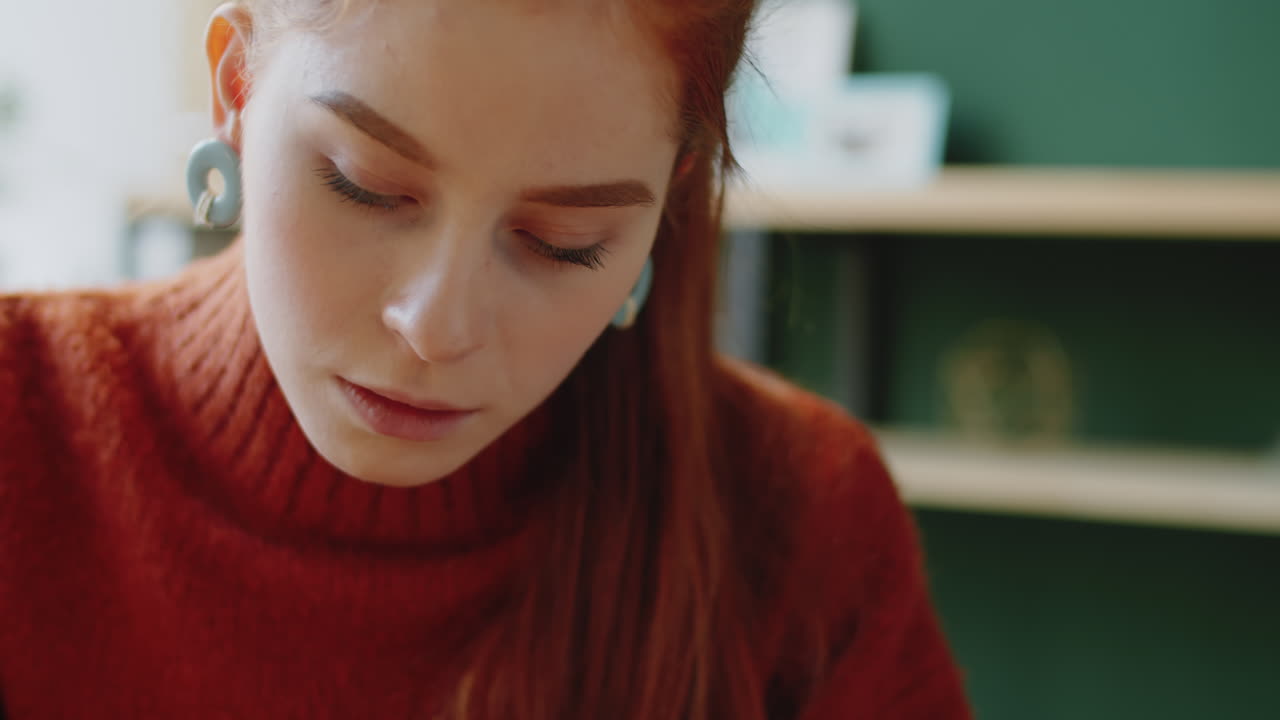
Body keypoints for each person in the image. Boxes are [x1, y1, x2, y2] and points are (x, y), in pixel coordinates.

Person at [0, 0, 972, 717]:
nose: (437, 324)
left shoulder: (806, 522)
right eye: (364, 186)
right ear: (235, 89)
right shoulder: (22, 421)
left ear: (662, 206)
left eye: (562, 241)